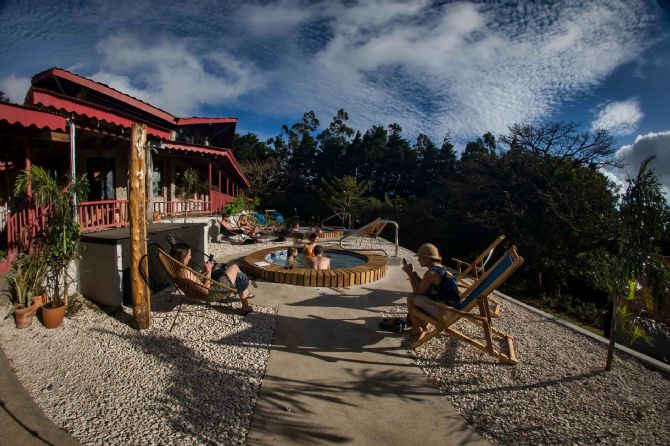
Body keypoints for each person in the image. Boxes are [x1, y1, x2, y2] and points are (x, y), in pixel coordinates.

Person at [170, 243, 254, 316]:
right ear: (183, 257)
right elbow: (205, 290)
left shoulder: (179, 269)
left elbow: (197, 281)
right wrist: (209, 271)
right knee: (238, 272)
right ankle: (245, 300)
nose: (190, 257)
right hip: (213, 291)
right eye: (189, 255)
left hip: (210, 285)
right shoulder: (185, 273)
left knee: (233, 273)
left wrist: (204, 270)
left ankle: (245, 302)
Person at [401, 243, 460, 336]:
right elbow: (424, 287)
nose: (418, 259)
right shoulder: (441, 268)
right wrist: (414, 273)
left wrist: (409, 273)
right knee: (418, 297)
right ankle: (420, 322)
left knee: (411, 297)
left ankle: (416, 329)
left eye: (420, 257)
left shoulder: (431, 273)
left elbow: (417, 292)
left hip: (445, 312)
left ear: (426, 258)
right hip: (453, 309)